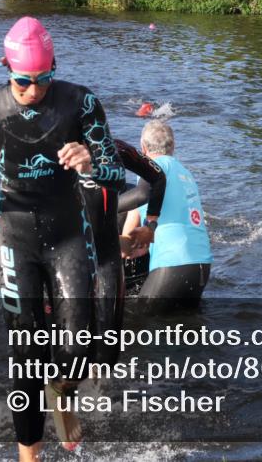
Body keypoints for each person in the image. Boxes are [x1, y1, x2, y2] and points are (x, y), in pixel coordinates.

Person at [0, 16, 124, 459]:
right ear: (8, 69)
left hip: (67, 235)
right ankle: (29, 455)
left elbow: (115, 174)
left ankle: (60, 391)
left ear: (54, 67)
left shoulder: (81, 104)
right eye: (23, 81)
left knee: (81, 346)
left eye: (44, 79)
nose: (34, 90)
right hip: (13, 235)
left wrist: (91, 166)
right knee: (26, 353)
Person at [79, 137, 166, 366]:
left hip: (108, 248)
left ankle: (101, 387)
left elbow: (155, 181)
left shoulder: (116, 148)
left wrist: (150, 226)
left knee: (109, 338)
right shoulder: (50, 149)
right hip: (73, 249)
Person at [122, 120, 212, 309]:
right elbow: (137, 214)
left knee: (140, 325)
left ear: (143, 147)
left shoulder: (153, 166)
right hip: (201, 266)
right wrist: (133, 245)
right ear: (174, 146)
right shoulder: (185, 173)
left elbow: (140, 197)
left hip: (173, 264)